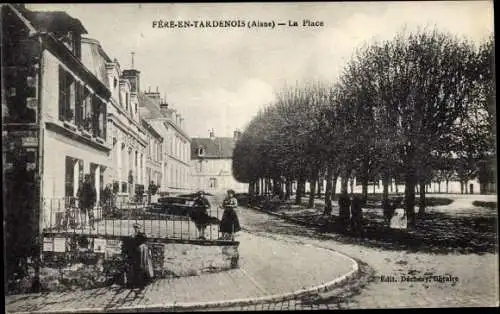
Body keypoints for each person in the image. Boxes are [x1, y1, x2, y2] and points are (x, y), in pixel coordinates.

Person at [122, 223, 154, 289]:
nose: (136, 229)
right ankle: (135, 283)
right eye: (135, 228)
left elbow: (146, 244)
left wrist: (142, 247)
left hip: (142, 255)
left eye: (137, 228)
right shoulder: (132, 236)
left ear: (139, 229)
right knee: (134, 268)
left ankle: (141, 283)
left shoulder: (142, 236)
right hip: (135, 255)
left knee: (142, 267)